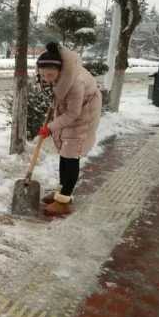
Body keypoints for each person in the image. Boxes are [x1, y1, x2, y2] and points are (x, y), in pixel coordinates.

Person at [35, 42, 102, 216]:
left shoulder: (75, 83)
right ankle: (61, 192)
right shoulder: (62, 76)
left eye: (49, 74)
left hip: (84, 115)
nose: (46, 78)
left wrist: (49, 128)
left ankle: (63, 200)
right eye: (42, 74)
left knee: (71, 154)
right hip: (75, 112)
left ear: (59, 70)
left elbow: (73, 113)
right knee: (65, 153)